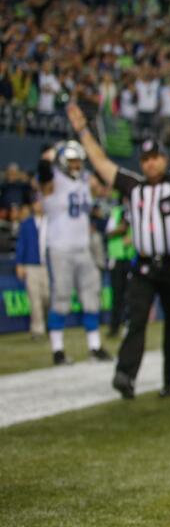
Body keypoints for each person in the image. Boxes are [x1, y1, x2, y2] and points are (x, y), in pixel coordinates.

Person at [66, 78, 170, 399]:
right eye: (146, 159)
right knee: (135, 321)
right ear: (142, 163)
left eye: (155, 158)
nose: (151, 162)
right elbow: (100, 162)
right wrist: (82, 132)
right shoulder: (133, 186)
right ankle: (125, 375)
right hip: (142, 267)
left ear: (163, 160)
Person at [37, 139, 111, 365]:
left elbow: (104, 183)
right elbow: (43, 171)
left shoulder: (85, 181)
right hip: (60, 248)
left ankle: (94, 346)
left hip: (83, 247)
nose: (76, 165)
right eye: (71, 161)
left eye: (78, 161)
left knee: (91, 297)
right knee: (61, 298)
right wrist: (51, 153)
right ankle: (58, 350)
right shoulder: (53, 181)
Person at [14, 199, 49, 339]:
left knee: (48, 297)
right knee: (34, 298)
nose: (38, 205)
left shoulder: (51, 222)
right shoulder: (26, 223)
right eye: (36, 203)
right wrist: (19, 263)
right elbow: (21, 244)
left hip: (48, 265)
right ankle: (37, 329)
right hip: (31, 265)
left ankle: (47, 323)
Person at [105, 198, 136, 338]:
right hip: (117, 258)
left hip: (130, 257)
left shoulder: (137, 211)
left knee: (131, 295)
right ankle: (114, 327)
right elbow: (109, 232)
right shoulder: (116, 212)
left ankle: (129, 325)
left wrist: (133, 239)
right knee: (117, 295)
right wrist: (120, 229)